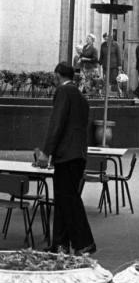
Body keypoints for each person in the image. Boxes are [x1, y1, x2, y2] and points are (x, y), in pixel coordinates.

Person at [39, 62, 95, 255]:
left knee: (68, 199)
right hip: (78, 154)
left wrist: (46, 152)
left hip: (66, 155)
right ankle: (60, 244)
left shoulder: (63, 93)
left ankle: (84, 243)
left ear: (57, 75)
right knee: (64, 199)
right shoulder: (81, 96)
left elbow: (57, 123)